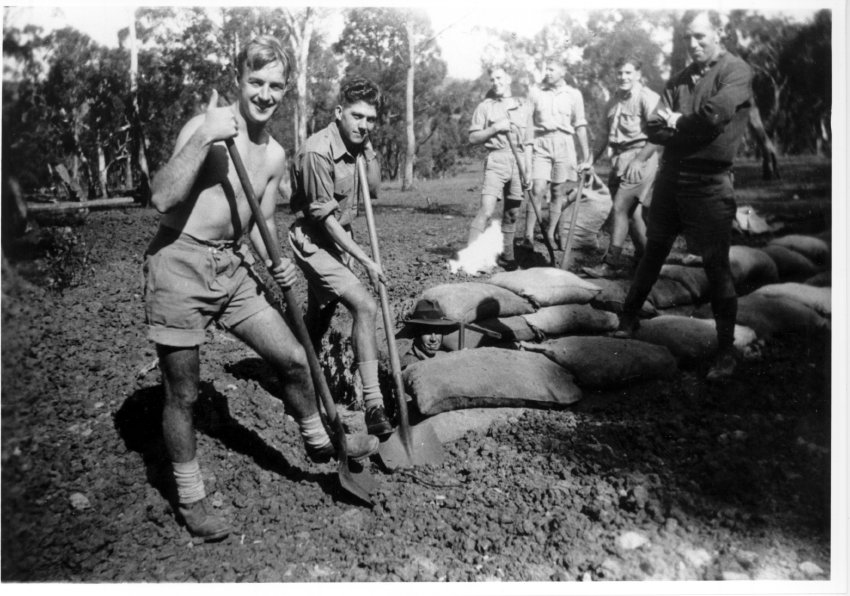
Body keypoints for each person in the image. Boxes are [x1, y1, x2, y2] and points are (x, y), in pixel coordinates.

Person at [143, 37, 378, 542]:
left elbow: (260, 218)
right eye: (256, 82)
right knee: (183, 393)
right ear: (238, 79)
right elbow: (161, 199)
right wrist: (204, 136)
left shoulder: (273, 153)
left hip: (232, 268)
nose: (265, 94)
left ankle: (318, 436)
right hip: (179, 263)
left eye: (275, 85)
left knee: (294, 358)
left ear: (287, 89)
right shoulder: (204, 127)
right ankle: (191, 496)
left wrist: (279, 264)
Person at [613, 11, 753, 381]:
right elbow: (653, 126)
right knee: (652, 252)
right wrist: (681, 126)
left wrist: (679, 123)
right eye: (687, 38)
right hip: (672, 179)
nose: (692, 44)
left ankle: (725, 352)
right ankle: (627, 320)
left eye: (700, 36)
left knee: (716, 267)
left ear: (719, 33)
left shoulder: (736, 72)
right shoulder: (679, 79)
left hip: (709, 184)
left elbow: (714, 115)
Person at [289, 77, 394, 439]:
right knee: (364, 306)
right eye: (356, 116)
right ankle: (374, 405)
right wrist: (366, 261)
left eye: (370, 119)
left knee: (322, 313)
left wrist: (368, 148)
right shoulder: (317, 152)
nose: (363, 124)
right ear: (338, 112)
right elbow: (326, 222)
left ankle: (298, 367)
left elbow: (375, 190)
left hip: (340, 237)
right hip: (314, 240)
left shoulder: (360, 144)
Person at [584, 56, 661, 279]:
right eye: (619, 73)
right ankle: (648, 259)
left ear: (638, 74)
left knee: (619, 209)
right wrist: (590, 159)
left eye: (628, 73)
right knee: (633, 213)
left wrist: (639, 160)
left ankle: (612, 263)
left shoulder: (648, 98)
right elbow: (602, 136)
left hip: (641, 157)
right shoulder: (613, 100)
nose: (623, 77)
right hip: (618, 159)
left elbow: (658, 136)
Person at [523, 59, 591, 252]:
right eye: (547, 69)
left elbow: (580, 124)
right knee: (537, 188)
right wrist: (527, 153)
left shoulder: (574, 95)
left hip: (564, 144)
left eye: (552, 69)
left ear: (563, 70)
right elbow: (528, 122)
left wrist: (586, 156)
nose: (548, 73)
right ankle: (528, 236)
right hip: (541, 143)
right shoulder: (536, 92)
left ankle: (550, 234)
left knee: (558, 192)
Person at [467, 66, 530, 270]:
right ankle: (472, 259)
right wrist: (495, 128)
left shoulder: (523, 105)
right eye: (493, 79)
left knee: (512, 214)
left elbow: (528, 142)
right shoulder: (485, 107)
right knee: (487, 209)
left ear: (509, 79)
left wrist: (527, 170)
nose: (496, 82)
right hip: (497, 159)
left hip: (519, 162)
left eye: (500, 78)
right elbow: (473, 137)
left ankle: (508, 257)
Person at [397, 299, 457, 368]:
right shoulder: (409, 364)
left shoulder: (442, 357)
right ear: (416, 333)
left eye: (438, 331)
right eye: (427, 332)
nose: (433, 339)